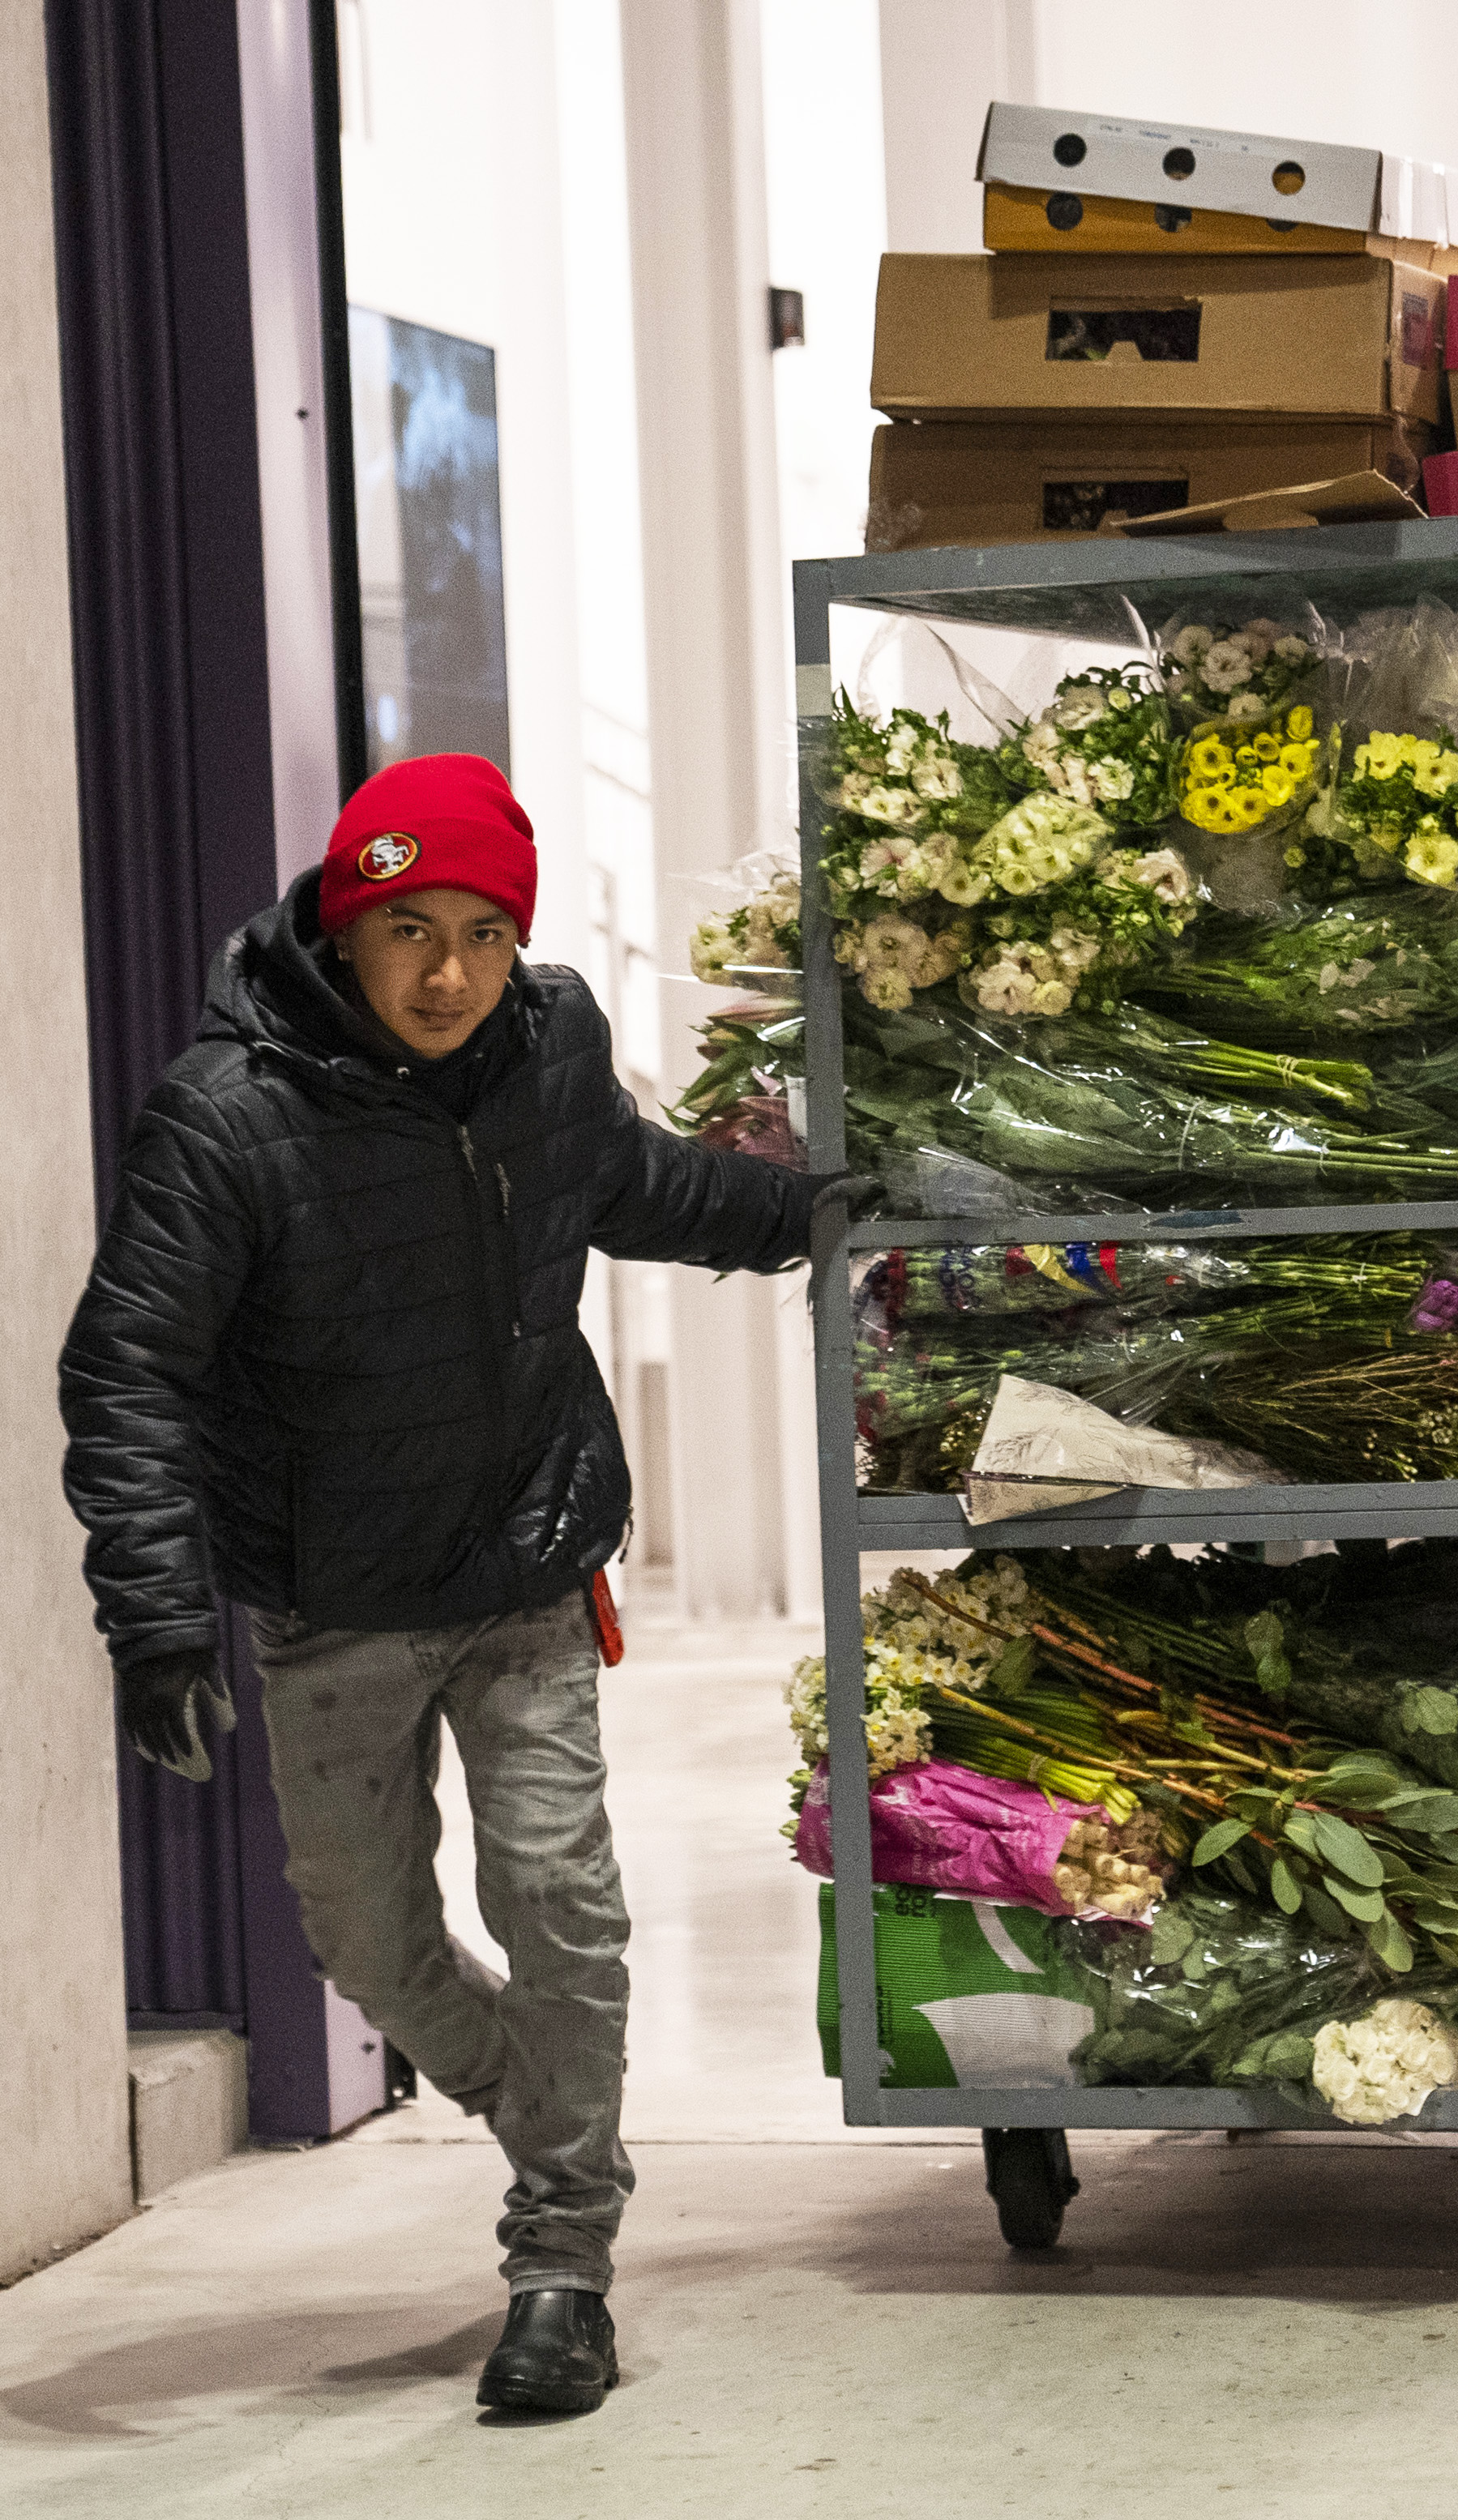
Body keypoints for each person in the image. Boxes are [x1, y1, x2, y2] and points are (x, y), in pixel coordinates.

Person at [60, 754, 859, 2419]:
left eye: (482, 933)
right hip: (337, 1588)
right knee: (364, 1932)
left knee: (558, 1887)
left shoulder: (549, 1043)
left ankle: (561, 2256)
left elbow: (630, 1183)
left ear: (519, 943)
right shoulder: (228, 1114)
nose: (443, 972)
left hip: (524, 1552)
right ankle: (549, 2106)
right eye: (406, 928)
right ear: (343, 931)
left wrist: (815, 1216)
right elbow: (132, 1368)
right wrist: (152, 1618)